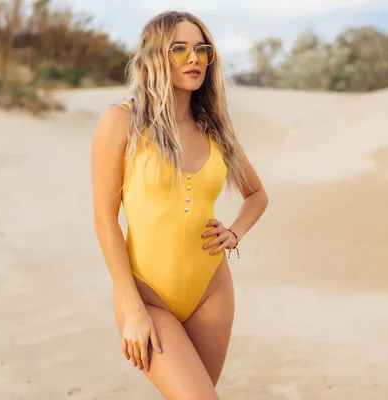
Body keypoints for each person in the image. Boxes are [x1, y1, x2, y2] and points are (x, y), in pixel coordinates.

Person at [90, 10, 268, 399]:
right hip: (146, 295)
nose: (193, 59)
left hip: (211, 291)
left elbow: (257, 195)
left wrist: (234, 232)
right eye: (180, 49)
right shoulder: (122, 121)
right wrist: (132, 310)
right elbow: (105, 221)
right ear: (155, 56)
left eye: (202, 50)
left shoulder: (216, 130)